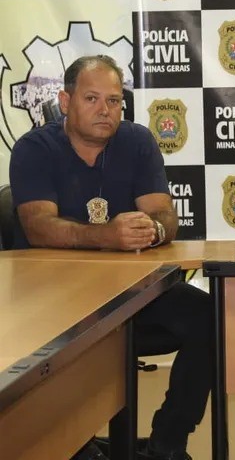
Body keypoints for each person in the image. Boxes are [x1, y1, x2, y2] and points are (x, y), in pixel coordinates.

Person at [8, 55, 211, 460]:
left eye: (115, 101)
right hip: (54, 305)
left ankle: (168, 443)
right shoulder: (35, 148)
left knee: (209, 316)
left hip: (129, 298)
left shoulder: (137, 141)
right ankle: (78, 447)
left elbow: (164, 214)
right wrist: (107, 236)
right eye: (92, 99)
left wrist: (152, 230)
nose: (105, 110)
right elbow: (39, 227)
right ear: (65, 101)